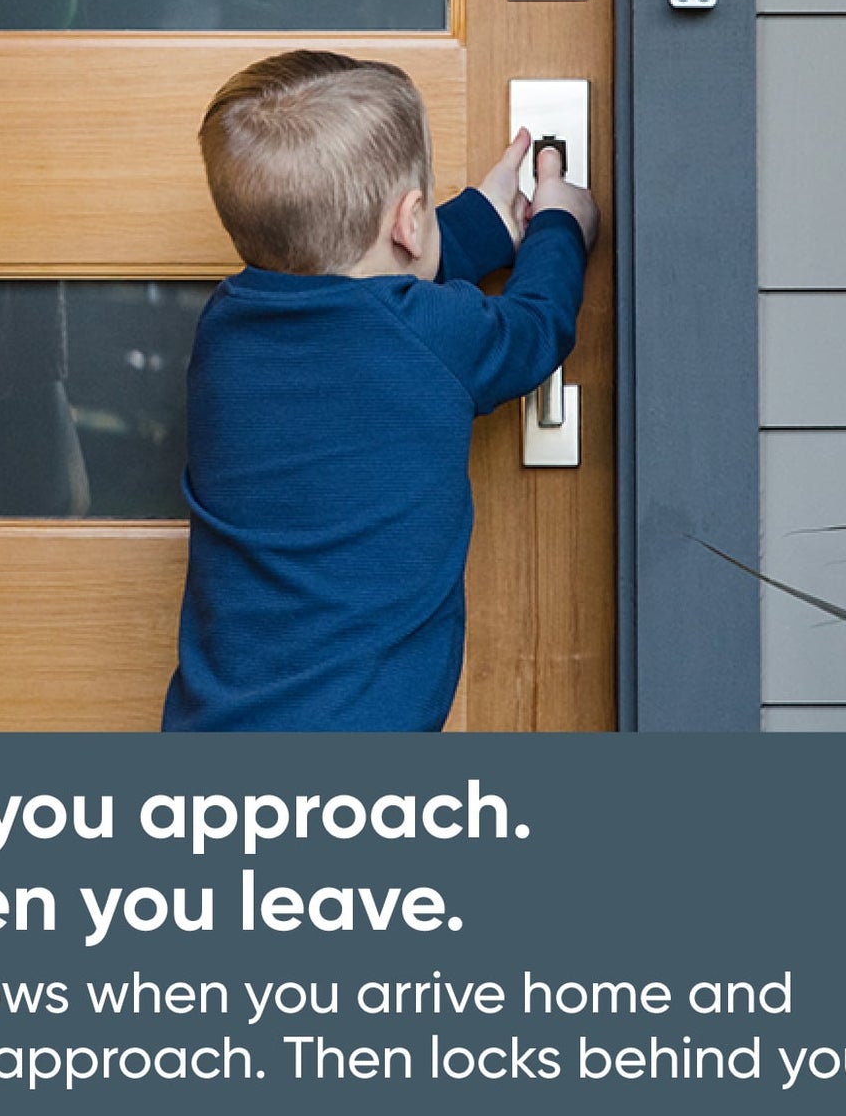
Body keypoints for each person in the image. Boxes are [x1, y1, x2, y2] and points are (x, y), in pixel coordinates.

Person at [162, 51, 598, 731]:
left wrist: (479, 221)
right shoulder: (432, 334)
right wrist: (560, 225)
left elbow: (354, 283)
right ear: (409, 220)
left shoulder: (226, 329)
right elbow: (534, 327)